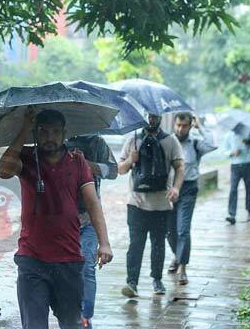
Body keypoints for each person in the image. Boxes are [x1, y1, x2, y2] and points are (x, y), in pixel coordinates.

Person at [0, 108, 113, 329]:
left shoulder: (77, 161)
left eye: (55, 132)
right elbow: (3, 171)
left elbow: (92, 203)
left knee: (71, 324)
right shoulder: (27, 158)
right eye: (43, 131)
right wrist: (24, 129)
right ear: (35, 133)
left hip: (68, 259)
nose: (50, 137)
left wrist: (104, 242)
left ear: (64, 133)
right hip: (32, 259)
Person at [117, 114, 185, 297]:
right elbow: (120, 169)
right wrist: (131, 160)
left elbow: (180, 166)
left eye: (154, 115)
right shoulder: (132, 140)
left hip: (162, 204)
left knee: (158, 244)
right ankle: (132, 283)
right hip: (136, 204)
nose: (151, 118)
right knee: (135, 245)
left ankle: (157, 280)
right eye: (148, 114)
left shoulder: (170, 141)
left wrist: (176, 188)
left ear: (160, 117)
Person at [63, 134, 118, 328]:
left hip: (89, 218)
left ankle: (85, 316)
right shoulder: (59, 139)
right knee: (66, 269)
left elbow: (113, 171)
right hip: (62, 220)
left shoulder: (97, 143)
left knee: (87, 266)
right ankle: (71, 312)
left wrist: (86, 163)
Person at [166, 113, 215, 285]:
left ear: (190, 125)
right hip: (169, 190)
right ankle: (177, 256)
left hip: (188, 188)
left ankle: (182, 268)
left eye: (185, 125)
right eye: (178, 125)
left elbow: (212, 144)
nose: (180, 129)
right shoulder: (168, 141)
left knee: (183, 229)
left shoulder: (194, 143)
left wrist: (200, 125)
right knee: (169, 230)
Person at [224, 130, 250, 224]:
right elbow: (225, 152)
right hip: (235, 166)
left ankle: (249, 211)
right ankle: (232, 214)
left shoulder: (248, 135)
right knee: (233, 189)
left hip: (248, 165)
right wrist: (232, 153)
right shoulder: (228, 135)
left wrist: (248, 144)